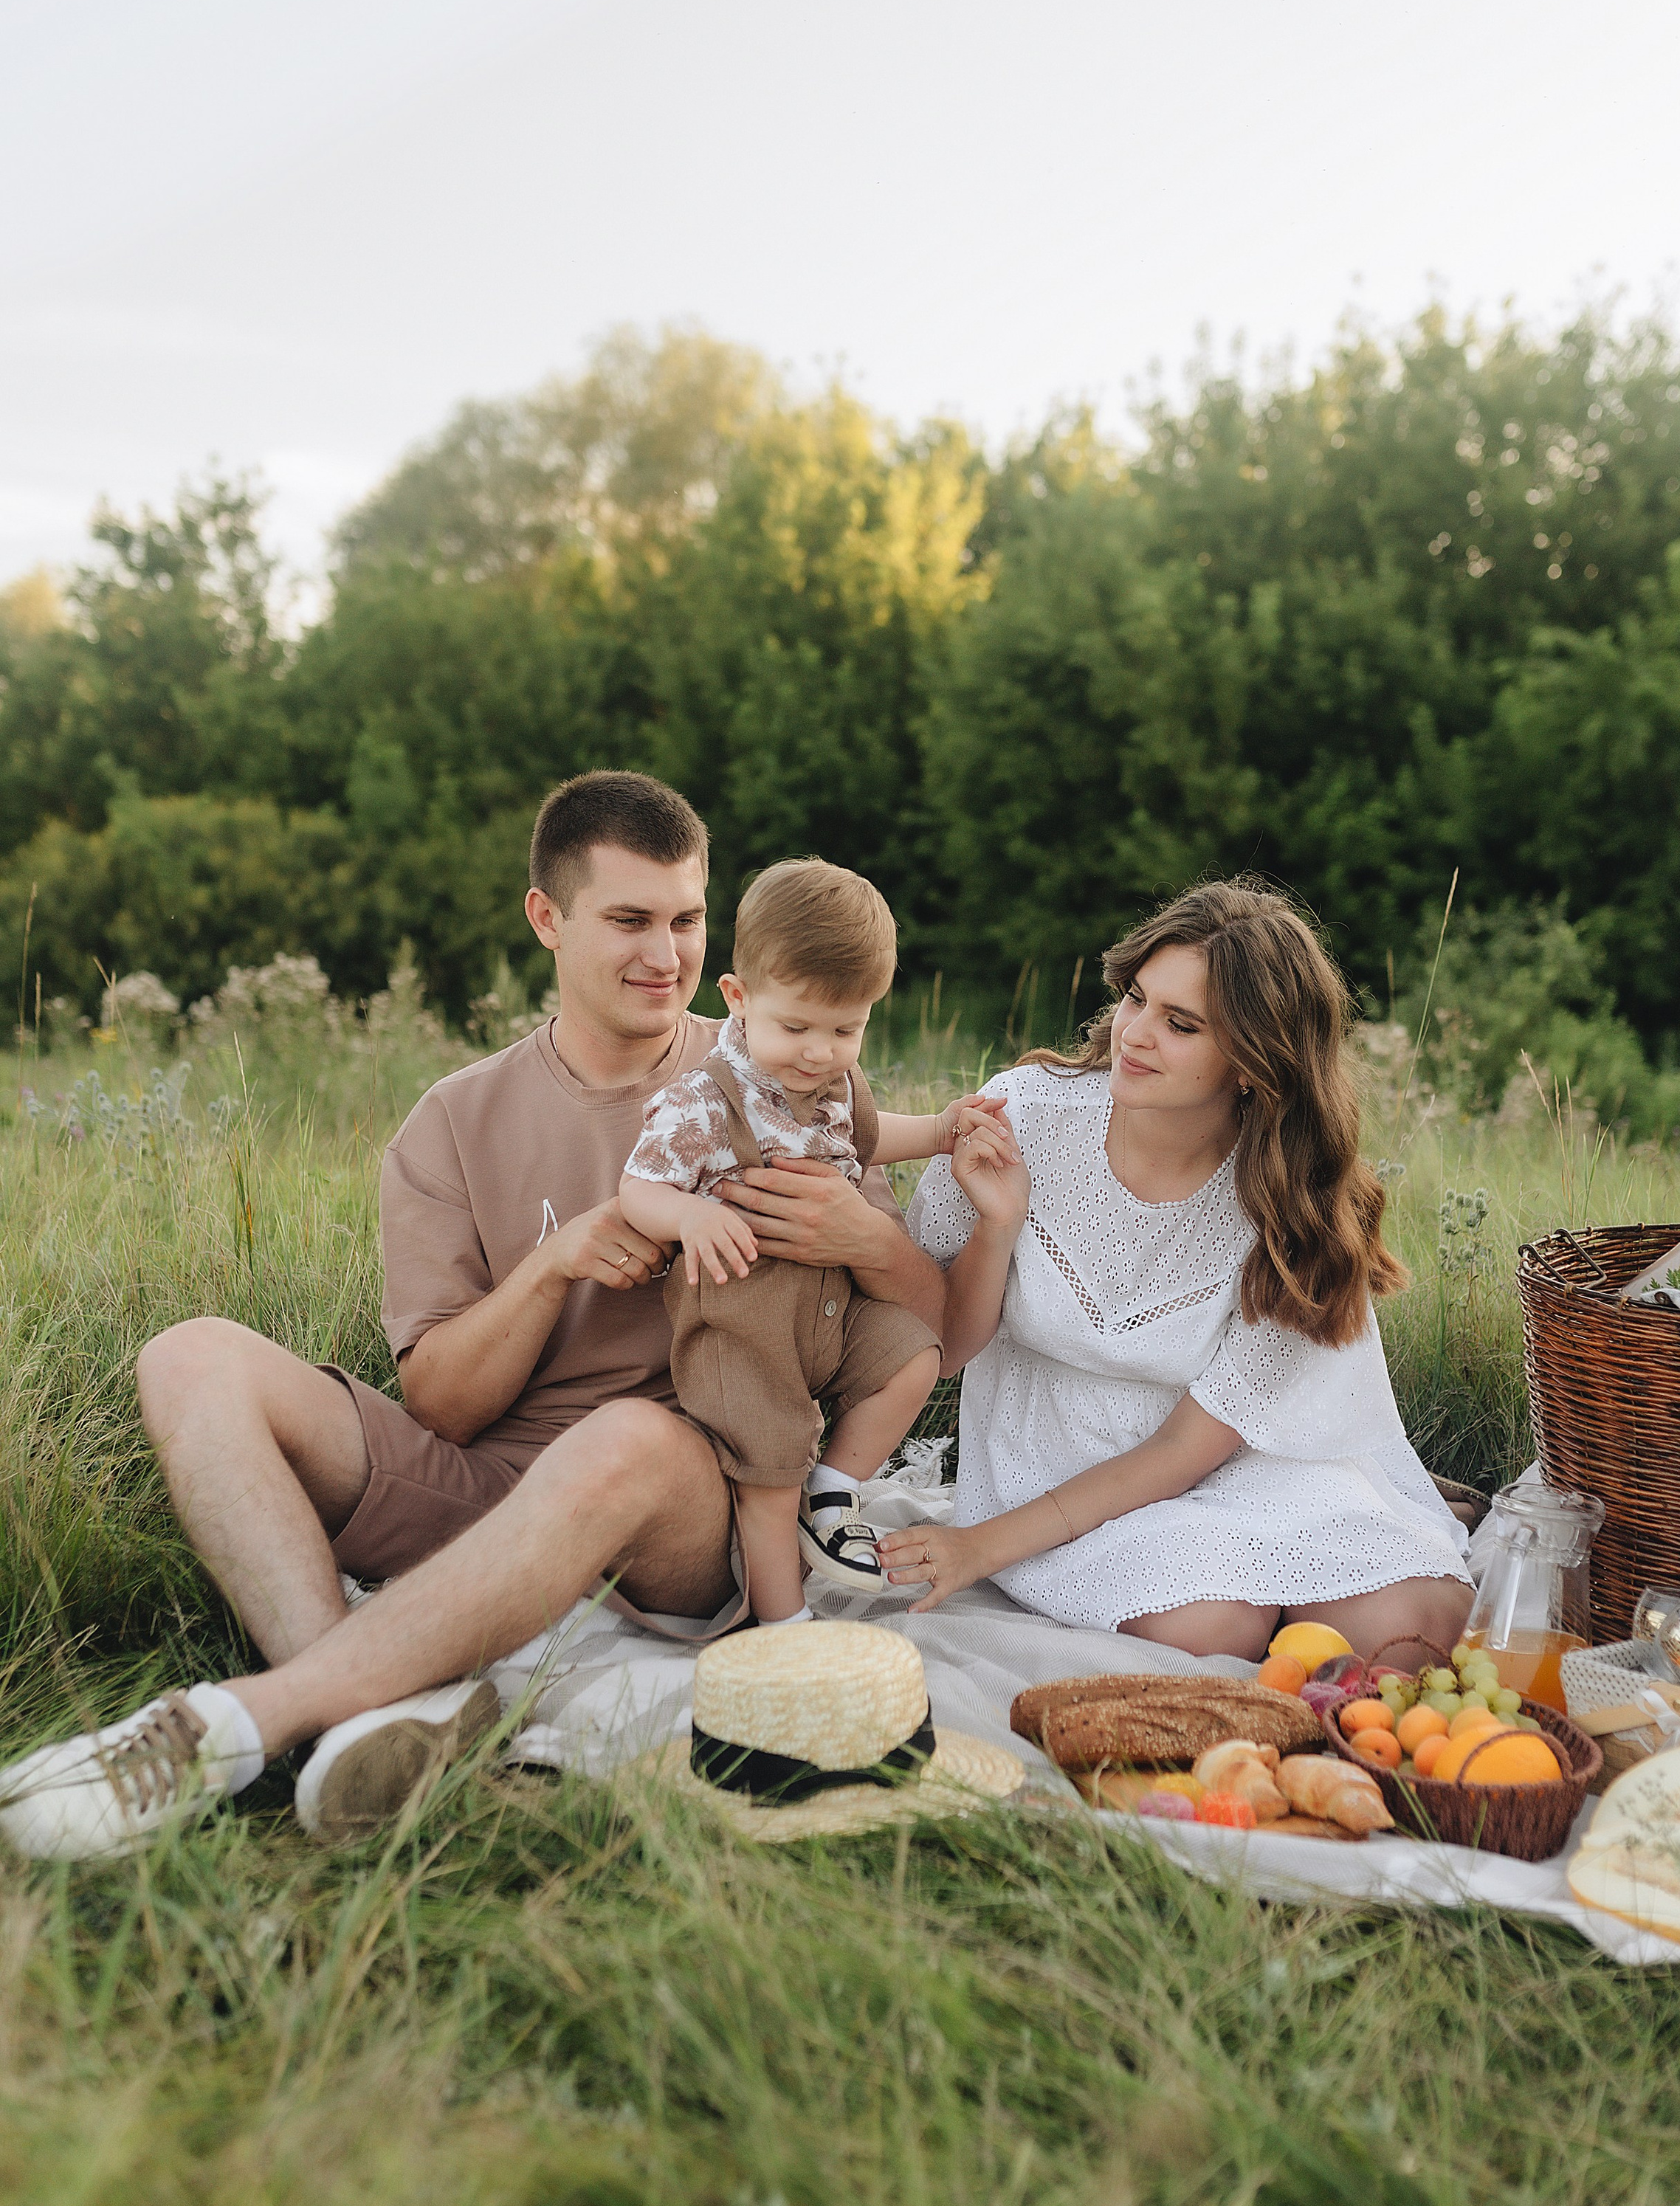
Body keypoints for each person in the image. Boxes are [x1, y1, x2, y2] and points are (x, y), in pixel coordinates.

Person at [0, 772, 945, 1861]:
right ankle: (370, 1711)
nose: (665, 953)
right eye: (629, 919)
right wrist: (555, 1265)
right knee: (189, 1356)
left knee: (625, 1438)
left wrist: (869, 1237)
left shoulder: (781, 1071)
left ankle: (251, 1719)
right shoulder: (452, 1119)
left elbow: (928, 1337)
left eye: (685, 919)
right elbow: (441, 1403)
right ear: (547, 917)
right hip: (487, 1478)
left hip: (681, 1496)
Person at [876, 880, 1473, 1661]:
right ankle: (1284, 1612)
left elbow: (1186, 1448)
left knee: (1414, 1624)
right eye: (1135, 998)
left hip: (1228, 1459)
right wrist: (997, 1226)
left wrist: (978, 1551)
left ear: (1254, 1063)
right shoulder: (1020, 1116)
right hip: (1051, 1466)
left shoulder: (1295, 1205)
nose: (1134, 1034)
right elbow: (940, 1348)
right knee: (1210, 1627)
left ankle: (1357, 1565)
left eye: (1180, 1023)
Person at [619, 856, 996, 1619]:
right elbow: (639, 1187)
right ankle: (783, 1622)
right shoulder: (699, 1103)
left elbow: (864, 1135)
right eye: (795, 1026)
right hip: (742, 1329)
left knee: (912, 1355)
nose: (819, 1051)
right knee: (768, 1475)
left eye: (845, 1029)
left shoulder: (831, 1083)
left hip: (834, 1309)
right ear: (738, 996)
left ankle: (836, 1489)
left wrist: (937, 1131)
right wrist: (690, 1216)